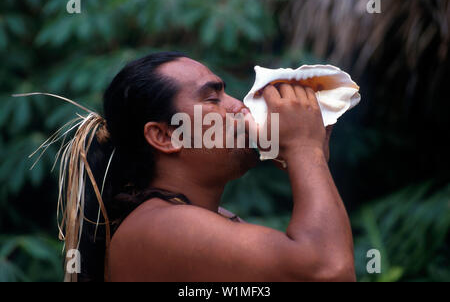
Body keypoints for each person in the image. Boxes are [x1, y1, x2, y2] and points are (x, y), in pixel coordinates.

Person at [40, 52, 355, 282]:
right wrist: (304, 150)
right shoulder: (161, 227)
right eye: (213, 99)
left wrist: (309, 158)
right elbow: (329, 271)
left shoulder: (206, 219)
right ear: (165, 136)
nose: (238, 106)